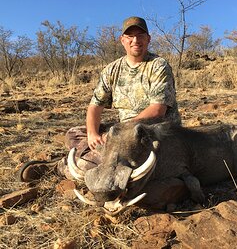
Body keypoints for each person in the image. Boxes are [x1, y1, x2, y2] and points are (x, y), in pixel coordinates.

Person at [19, 16, 181, 182]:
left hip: (154, 132)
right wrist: (92, 134)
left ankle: (59, 167)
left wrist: (117, 133)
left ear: (148, 39)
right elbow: (95, 106)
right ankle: (92, 153)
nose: (135, 40)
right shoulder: (112, 69)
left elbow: (157, 110)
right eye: (130, 36)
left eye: (140, 35)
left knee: (88, 166)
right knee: (73, 134)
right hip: (122, 131)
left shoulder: (158, 65)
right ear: (122, 40)